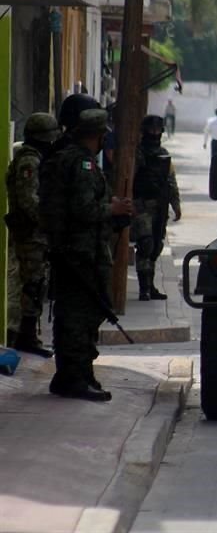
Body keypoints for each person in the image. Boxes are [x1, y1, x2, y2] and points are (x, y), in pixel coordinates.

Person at [40, 107, 133, 401]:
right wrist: (113, 209)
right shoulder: (81, 164)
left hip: (79, 252)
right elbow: (83, 210)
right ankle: (72, 377)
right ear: (99, 135)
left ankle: (79, 372)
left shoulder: (76, 160)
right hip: (80, 254)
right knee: (78, 317)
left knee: (84, 313)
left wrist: (112, 209)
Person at [4, 113, 60, 357]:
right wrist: (49, 222)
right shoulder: (30, 161)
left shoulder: (35, 158)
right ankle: (24, 336)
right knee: (32, 285)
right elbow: (29, 201)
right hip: (30, 234)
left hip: (35, 234)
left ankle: (28, 335)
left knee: (37, 283)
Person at [132, 115, 182, 301]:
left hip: (159, 207)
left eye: (157, 130)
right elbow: (128, 179)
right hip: (141, 204)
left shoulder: (163, 153)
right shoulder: (136, 153)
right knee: (145, 244)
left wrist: (176, 205)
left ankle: (150, 286)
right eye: (151, 130)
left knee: (156, 247)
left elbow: (171, 181)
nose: (154, 133)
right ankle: (143, 288)